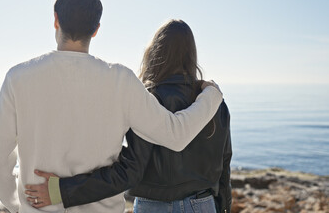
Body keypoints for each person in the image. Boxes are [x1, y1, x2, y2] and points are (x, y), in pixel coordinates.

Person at [0, 0, 223, 213]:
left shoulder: (18, 77)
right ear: (96, 28)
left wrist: (17, 205)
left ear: (56, 20)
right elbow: (176, 135)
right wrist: (211, 94)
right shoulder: (120, 79)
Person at [24, 20, 232, 213]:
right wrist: (224, 205)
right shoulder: (213, 101)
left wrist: (62, 190)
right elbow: (224, 165)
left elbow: (129, 172)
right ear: (191, 55)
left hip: (154, 207)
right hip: (204, 204)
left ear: (155, 51)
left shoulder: (147, 99)